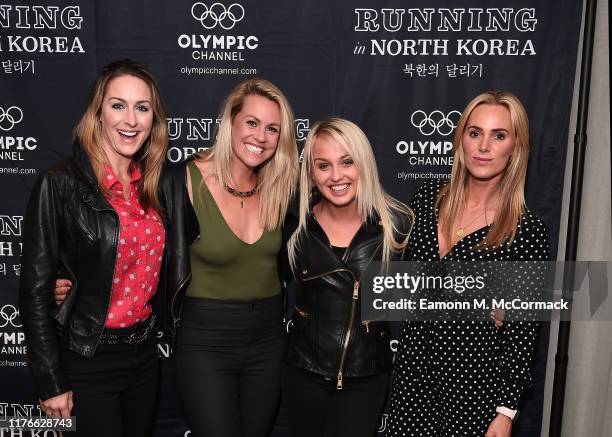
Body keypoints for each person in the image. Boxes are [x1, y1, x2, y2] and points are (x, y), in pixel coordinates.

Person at [386, 91, 550, 437]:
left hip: (473, 390)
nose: (484, 146)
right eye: (475, 133)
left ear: (515, 147)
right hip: (412, 377)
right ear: (461, 139)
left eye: (499, 135)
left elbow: (522, 335)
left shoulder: (527, 232)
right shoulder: (427, 197)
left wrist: (505, 413)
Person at [19, 59, 168, 437]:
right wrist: (50, 380)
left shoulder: (152, 187)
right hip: (87, 358)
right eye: (118, 105)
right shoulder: (59, 184)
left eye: (142, 107)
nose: (131, 120)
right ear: (98, 113)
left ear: (154, 118)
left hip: (144, 357)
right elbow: (35, 292)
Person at [161, 78, 298, 437]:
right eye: (252, 123)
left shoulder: (284, 188)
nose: (261, 137)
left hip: (269, 338)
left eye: (273, 129)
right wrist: (75, 284)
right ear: (231, 122)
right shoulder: (181, 182)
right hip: (205, 338)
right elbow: (131, 244)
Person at [283, 118, 414, 437]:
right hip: (304, 374)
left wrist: (499, 296)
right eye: (323, 165)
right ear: (311, 174)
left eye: (347, 162)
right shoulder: (293, 228)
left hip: (366, 377)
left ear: (364, 165)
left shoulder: (397, 227)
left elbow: (439, 287)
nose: (336, 176)